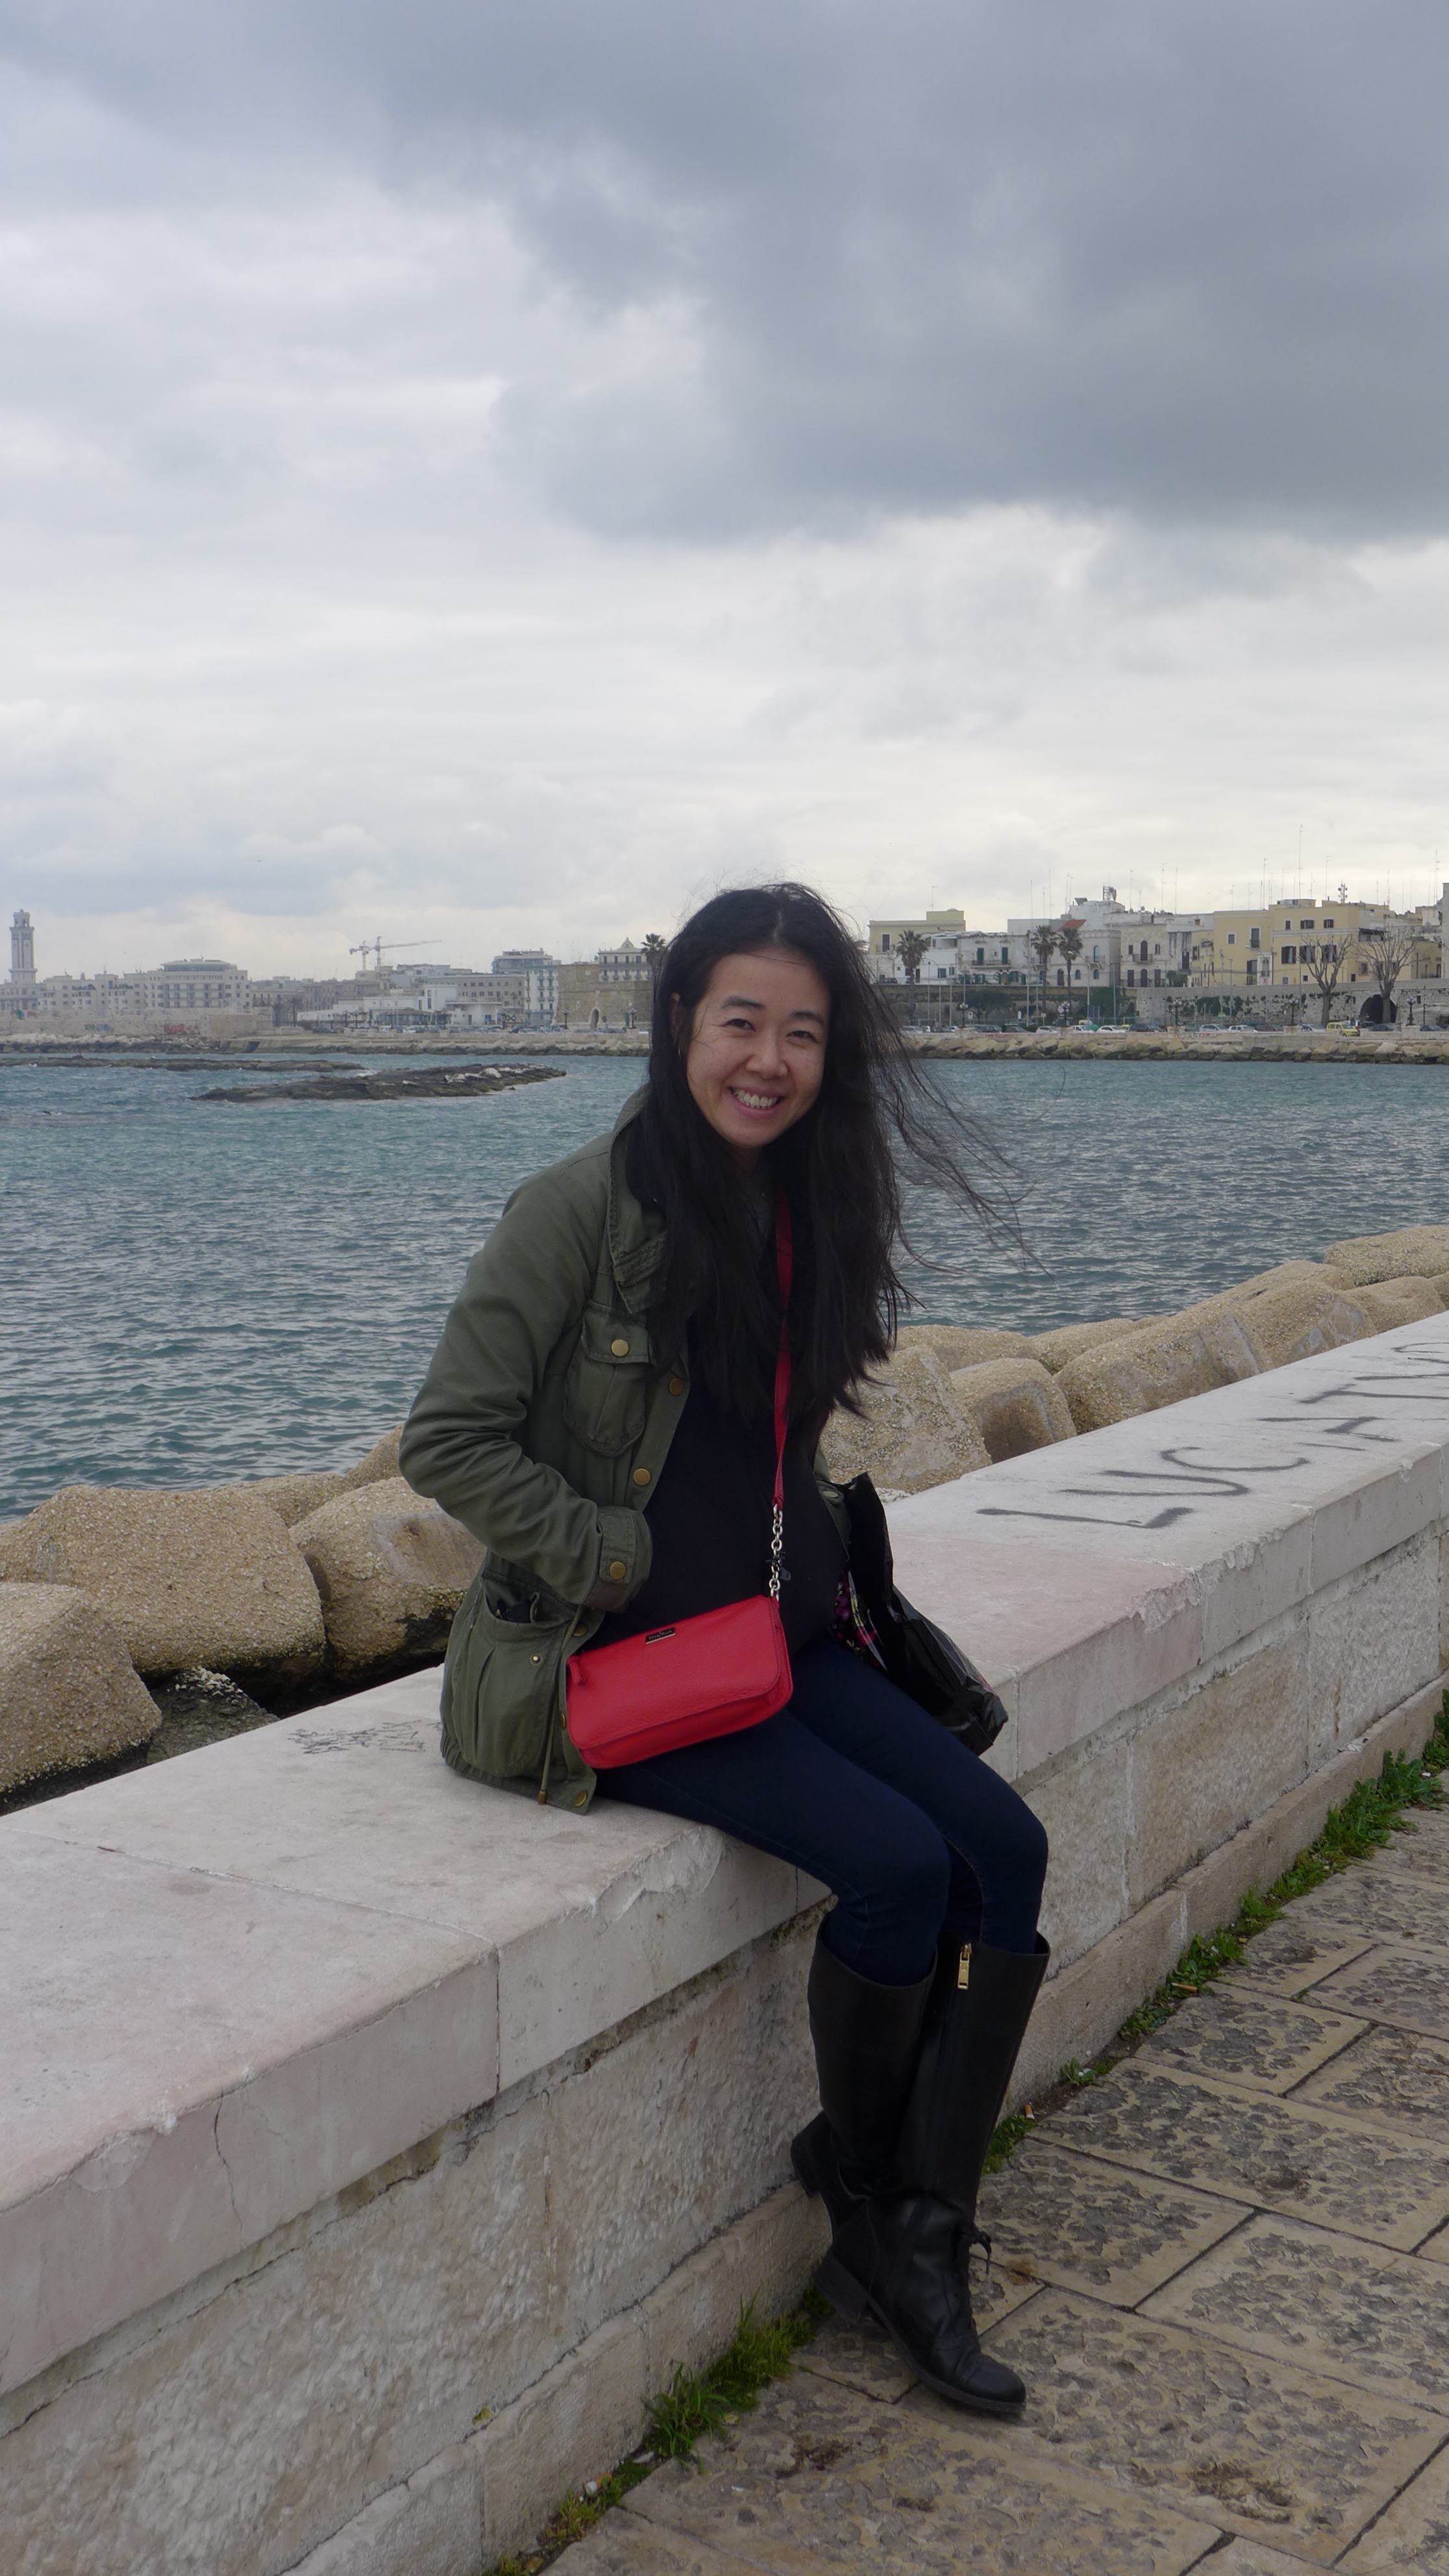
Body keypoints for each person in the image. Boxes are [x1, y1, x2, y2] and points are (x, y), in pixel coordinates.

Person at [400, 884, 1050, 2416]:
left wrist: (836, 1572)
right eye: (740, 1021)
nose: (768, 1059)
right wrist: (614, 1556)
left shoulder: (809, 1202)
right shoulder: (575, 1211)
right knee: (898, 1869)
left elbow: (767, 1447)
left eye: (802, 1032)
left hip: (775, 1638)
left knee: (1003, 1849)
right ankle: (883, 2221)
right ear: (681, 1020)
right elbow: (449, 1439)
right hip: (616, 1661)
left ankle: (904, 2214)